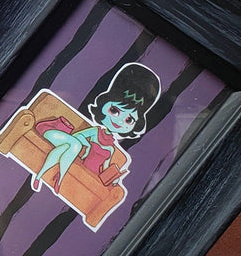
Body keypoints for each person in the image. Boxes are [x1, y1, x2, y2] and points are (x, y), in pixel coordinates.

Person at [30, 63, 161, 193]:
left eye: (129, 119)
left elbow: (104, 169)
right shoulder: (96, 132)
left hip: (71, 150)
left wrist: (113, 179)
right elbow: (77, 136)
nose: (120, 120)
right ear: (105, 103)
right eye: (114, 110)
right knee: (74, 145)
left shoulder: (110, 149)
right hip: (60, 136)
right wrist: (87, 147)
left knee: (69, 147)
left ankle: (48, 176)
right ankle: (49, 177)